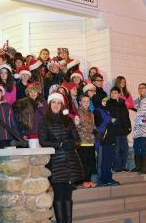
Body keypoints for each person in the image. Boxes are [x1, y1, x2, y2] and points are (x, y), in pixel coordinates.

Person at [38, 93, 84, 223]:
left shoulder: (67, 120)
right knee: (58, 194)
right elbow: (43, 141)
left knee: (68, 195)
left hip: (70, 161)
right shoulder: (44, 120)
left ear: (62, 105)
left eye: (59, 103)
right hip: (55, 162)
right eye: (54, 102)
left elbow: (78, 140)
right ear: (50, 104)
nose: (56, 105)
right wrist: (60, 144)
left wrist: (72, 144)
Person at [106, 87, 132, 172]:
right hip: (114, 131)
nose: (113, 94)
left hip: (123, 131)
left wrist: (129, 127)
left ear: (119, 94)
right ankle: (117, 167)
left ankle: (123, 166)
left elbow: (127, 117)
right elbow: (108, 118)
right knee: (116, 150)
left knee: (125, 149)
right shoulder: (108, 104)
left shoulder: (123, 104)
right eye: (112, 93)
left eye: (115, 93)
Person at [76, 95, 97, 188]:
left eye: (88, 101)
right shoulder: (77, 112)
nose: (86, 103)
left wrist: (95, 131)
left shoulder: (91, 113)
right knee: (83, 161)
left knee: (90, 161)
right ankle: (83, 180)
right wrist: (90, 130)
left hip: (90, 140)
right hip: (82, 139)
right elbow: (77, 126)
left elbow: (93, 125)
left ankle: (88, 180)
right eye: (84, 101)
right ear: (80, 102)